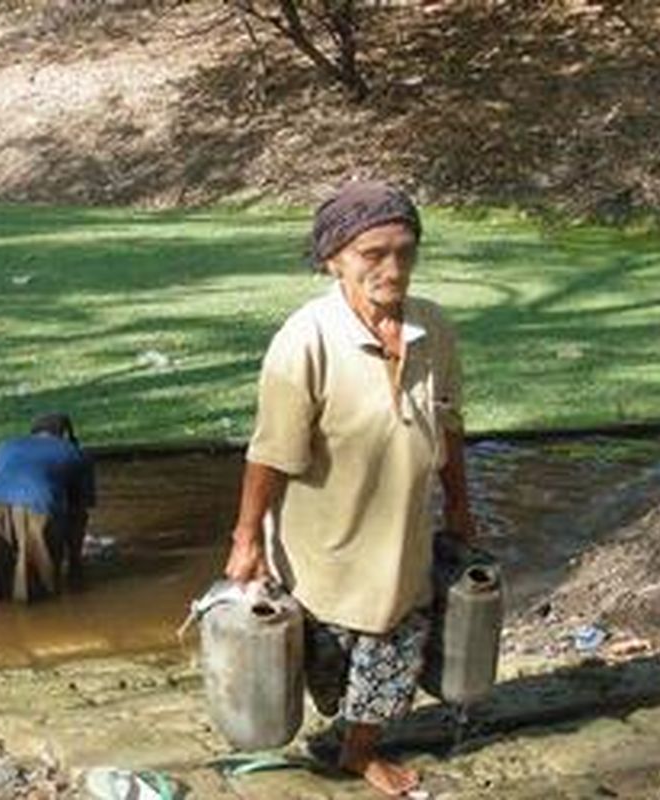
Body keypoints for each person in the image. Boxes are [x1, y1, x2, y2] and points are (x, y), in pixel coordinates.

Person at [223, 181, 476, 797]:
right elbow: (271, 452)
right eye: (373, 253)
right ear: (334, 258)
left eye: (405, 251)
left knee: (393, 650)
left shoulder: (433, 329)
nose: (393, 269)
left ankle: (360, 752)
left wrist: (462, 507)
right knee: (328, 671)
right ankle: (338, 725)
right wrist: (246, 537)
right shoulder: (305, 339)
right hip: (324, 544)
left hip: (401, 539)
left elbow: (446, 422)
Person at [0, 413, 96, 603]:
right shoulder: (76, 453)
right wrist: (75, 564)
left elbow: (6, 483)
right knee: (38, 594)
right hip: (37, 505)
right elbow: (79, 512)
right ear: (65, 434)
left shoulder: (3, 447)